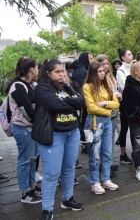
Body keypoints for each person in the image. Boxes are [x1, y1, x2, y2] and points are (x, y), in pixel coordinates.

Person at [35, 59, 85, 219]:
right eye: (58, 71)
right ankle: (47, 209)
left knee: (69, 169)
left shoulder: (68, 87)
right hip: (53, 134)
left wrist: (68, 95)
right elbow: (55, 105)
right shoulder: (42, 88)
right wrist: (72, 103)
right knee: (51, 173)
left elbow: (82, 102)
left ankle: (67, 199)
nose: (62, 74)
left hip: (72, 132)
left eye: (63, 71)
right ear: (48, 74)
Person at [83, 62, 120, 195]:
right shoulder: (87, 86)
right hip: (94, 123)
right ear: (93, 72)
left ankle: (105, 178)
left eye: (103, 71)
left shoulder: (107, 85)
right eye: (99, 71)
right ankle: (95, 182)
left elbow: (116, 103)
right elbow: (91, 107)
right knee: (95, 154)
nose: (103, 73)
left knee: (107, 152)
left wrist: (105, 103)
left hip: (107, 122)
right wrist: (108, 111)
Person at [7, 57, 40, 204]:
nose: (38, 70)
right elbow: (26, 109)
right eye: (37, 67)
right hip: (22, 128)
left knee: (32, 158)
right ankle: (24, 192)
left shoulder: (28, 84)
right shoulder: (18, 86)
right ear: (31, 69)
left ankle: (32, 186)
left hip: (30, 127)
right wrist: (37, 122)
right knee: (24, 160)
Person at [96, 54, 121, 175]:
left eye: (107, 64)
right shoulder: (97, 78)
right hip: (104, 113)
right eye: (103, 64)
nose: (106, 66)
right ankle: (103, 165)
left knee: (110, 140)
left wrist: (117, 95)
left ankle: (109, 163)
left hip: (114, 112)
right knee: (102, 141)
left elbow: (114, 90)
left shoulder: (110, 76)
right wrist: (113, 98)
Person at [116, 49, 134, 165]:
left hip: (135, 101)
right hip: (125, 103)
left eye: (131, 54)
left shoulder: (134, 67)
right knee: (124, 128)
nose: (131, 56)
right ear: (123, 58)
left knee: (135, 128)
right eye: (129, 54)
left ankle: (136, 152)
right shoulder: (120, 71)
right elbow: (125, 86)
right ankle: (123, 154)